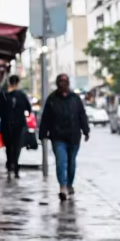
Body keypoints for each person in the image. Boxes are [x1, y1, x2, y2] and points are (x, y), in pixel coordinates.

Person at [39, 73, 90, 202]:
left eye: (65, 82)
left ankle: (69, 184)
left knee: (71, 163)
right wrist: (43, 134)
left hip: (74, 137)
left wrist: (86, 131)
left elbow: (82, 115)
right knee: (61, 162)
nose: (63, 84)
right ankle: (62, 187)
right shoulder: (52, 99)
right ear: (57, 84)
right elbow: (46, 118)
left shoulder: (75, 99)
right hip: (58, 137)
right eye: (60, 82)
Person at [0, 75, 32, 179]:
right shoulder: (21, 95)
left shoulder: (2, 95)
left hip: (7, 124)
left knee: (9, 146)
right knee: (16, 146)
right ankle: (14, 164)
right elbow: (28, 109)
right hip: (18, 125)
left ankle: (11, 164)